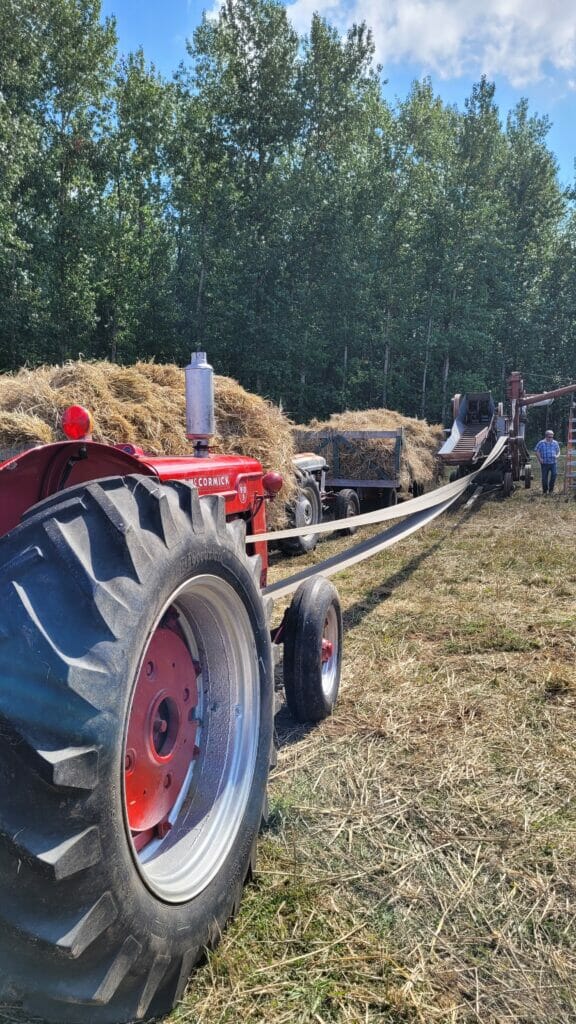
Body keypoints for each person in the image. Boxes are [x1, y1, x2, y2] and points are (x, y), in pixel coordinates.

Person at [534, 429, 560, 494]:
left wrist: (557, 456)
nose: (551, 438)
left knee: (554, 475)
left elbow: (558, 451)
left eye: (552, 436)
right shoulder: (541, 443)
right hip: (544, 463)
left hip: (553, 463)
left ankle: (551, 490)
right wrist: (540, 459)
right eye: (549, 437)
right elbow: (536, 451)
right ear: (546, 436)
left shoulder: (555, 443)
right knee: (544, 478)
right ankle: (545, 491)